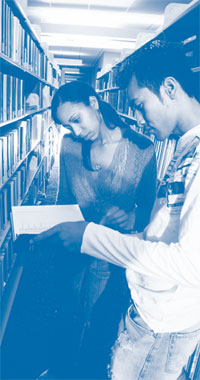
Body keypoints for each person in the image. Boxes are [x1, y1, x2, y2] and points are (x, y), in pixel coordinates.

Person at [32, 40, 200, 379]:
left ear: (169, 88)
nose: (138, 117)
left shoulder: (159, 149)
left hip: (162, 321)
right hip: (146, 308)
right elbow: (161, 228)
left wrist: (95, 235)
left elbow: (190, 263)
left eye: (140, 105)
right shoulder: (184, 149)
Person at [35, 80, 157, 379]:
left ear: (93, 102)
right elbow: (64, 199)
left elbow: (149, 216)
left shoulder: (142, 149)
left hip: (112, 264)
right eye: (67, 125)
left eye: (76, 119)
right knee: (64, 322)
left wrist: (131, 218)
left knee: (100, 333)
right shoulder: (69, 146)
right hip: (71, 256)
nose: (75, 131)